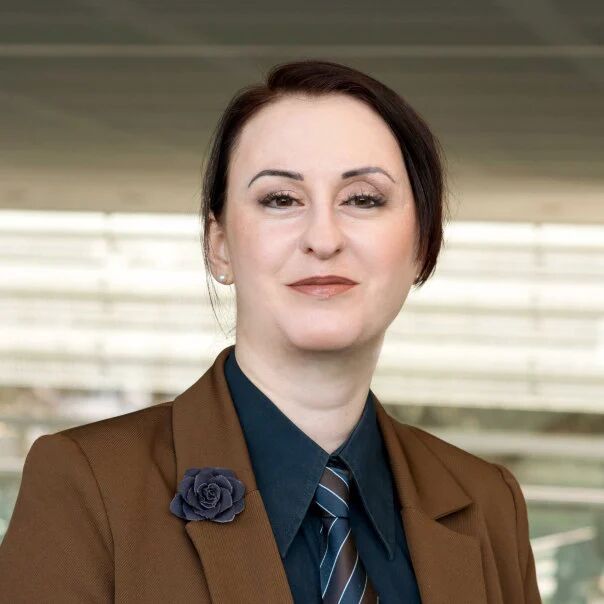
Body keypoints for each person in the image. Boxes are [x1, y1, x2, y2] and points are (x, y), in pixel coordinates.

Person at [0, 59, 541, 603]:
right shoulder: (89, 482)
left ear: (422, 244)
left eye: (363, 199)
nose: (323, 238)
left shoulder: (487, 501)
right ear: (219, 245)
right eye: (280, 200)